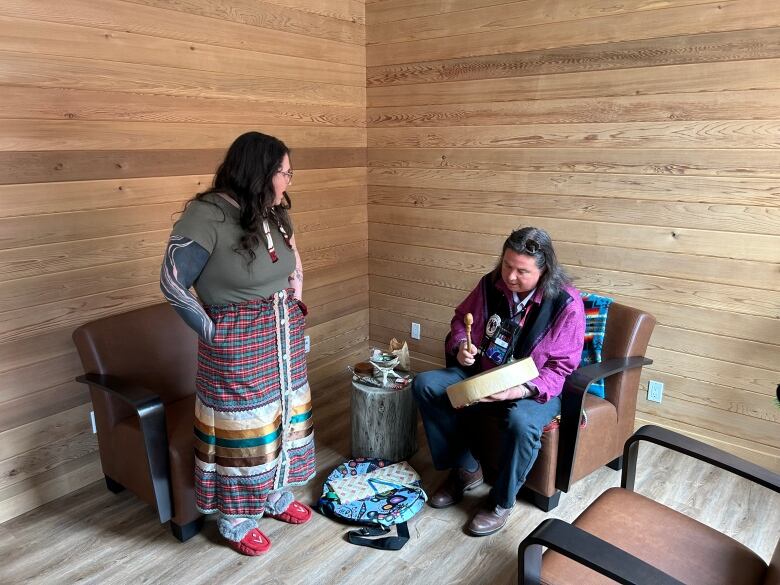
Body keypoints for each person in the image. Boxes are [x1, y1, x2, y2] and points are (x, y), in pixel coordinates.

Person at [160, 131, 314, 556]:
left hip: (281, 333)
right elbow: (172, 284)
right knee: (244, 432)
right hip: (236, 343)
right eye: (283, 172)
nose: (287, 180)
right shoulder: (205, 216)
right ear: (259, 172)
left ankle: (274, 495)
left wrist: (295, 309)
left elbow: (293, 263)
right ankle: (235, 518)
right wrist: (216, 336)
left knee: (283, 416)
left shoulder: (274, 212)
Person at [411, 227, 585, 536]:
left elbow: (561, 368)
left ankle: (501, 502)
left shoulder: (565, 304)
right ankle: (466, 469)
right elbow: (461, 321)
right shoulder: (490, 285)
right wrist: (462, 346)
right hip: (484, 373)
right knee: (426, 384)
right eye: (507, 265)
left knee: (521, 421)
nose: (511, 276)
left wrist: (520, 389)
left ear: (544, 270)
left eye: (522, 271)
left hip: (534, 388)